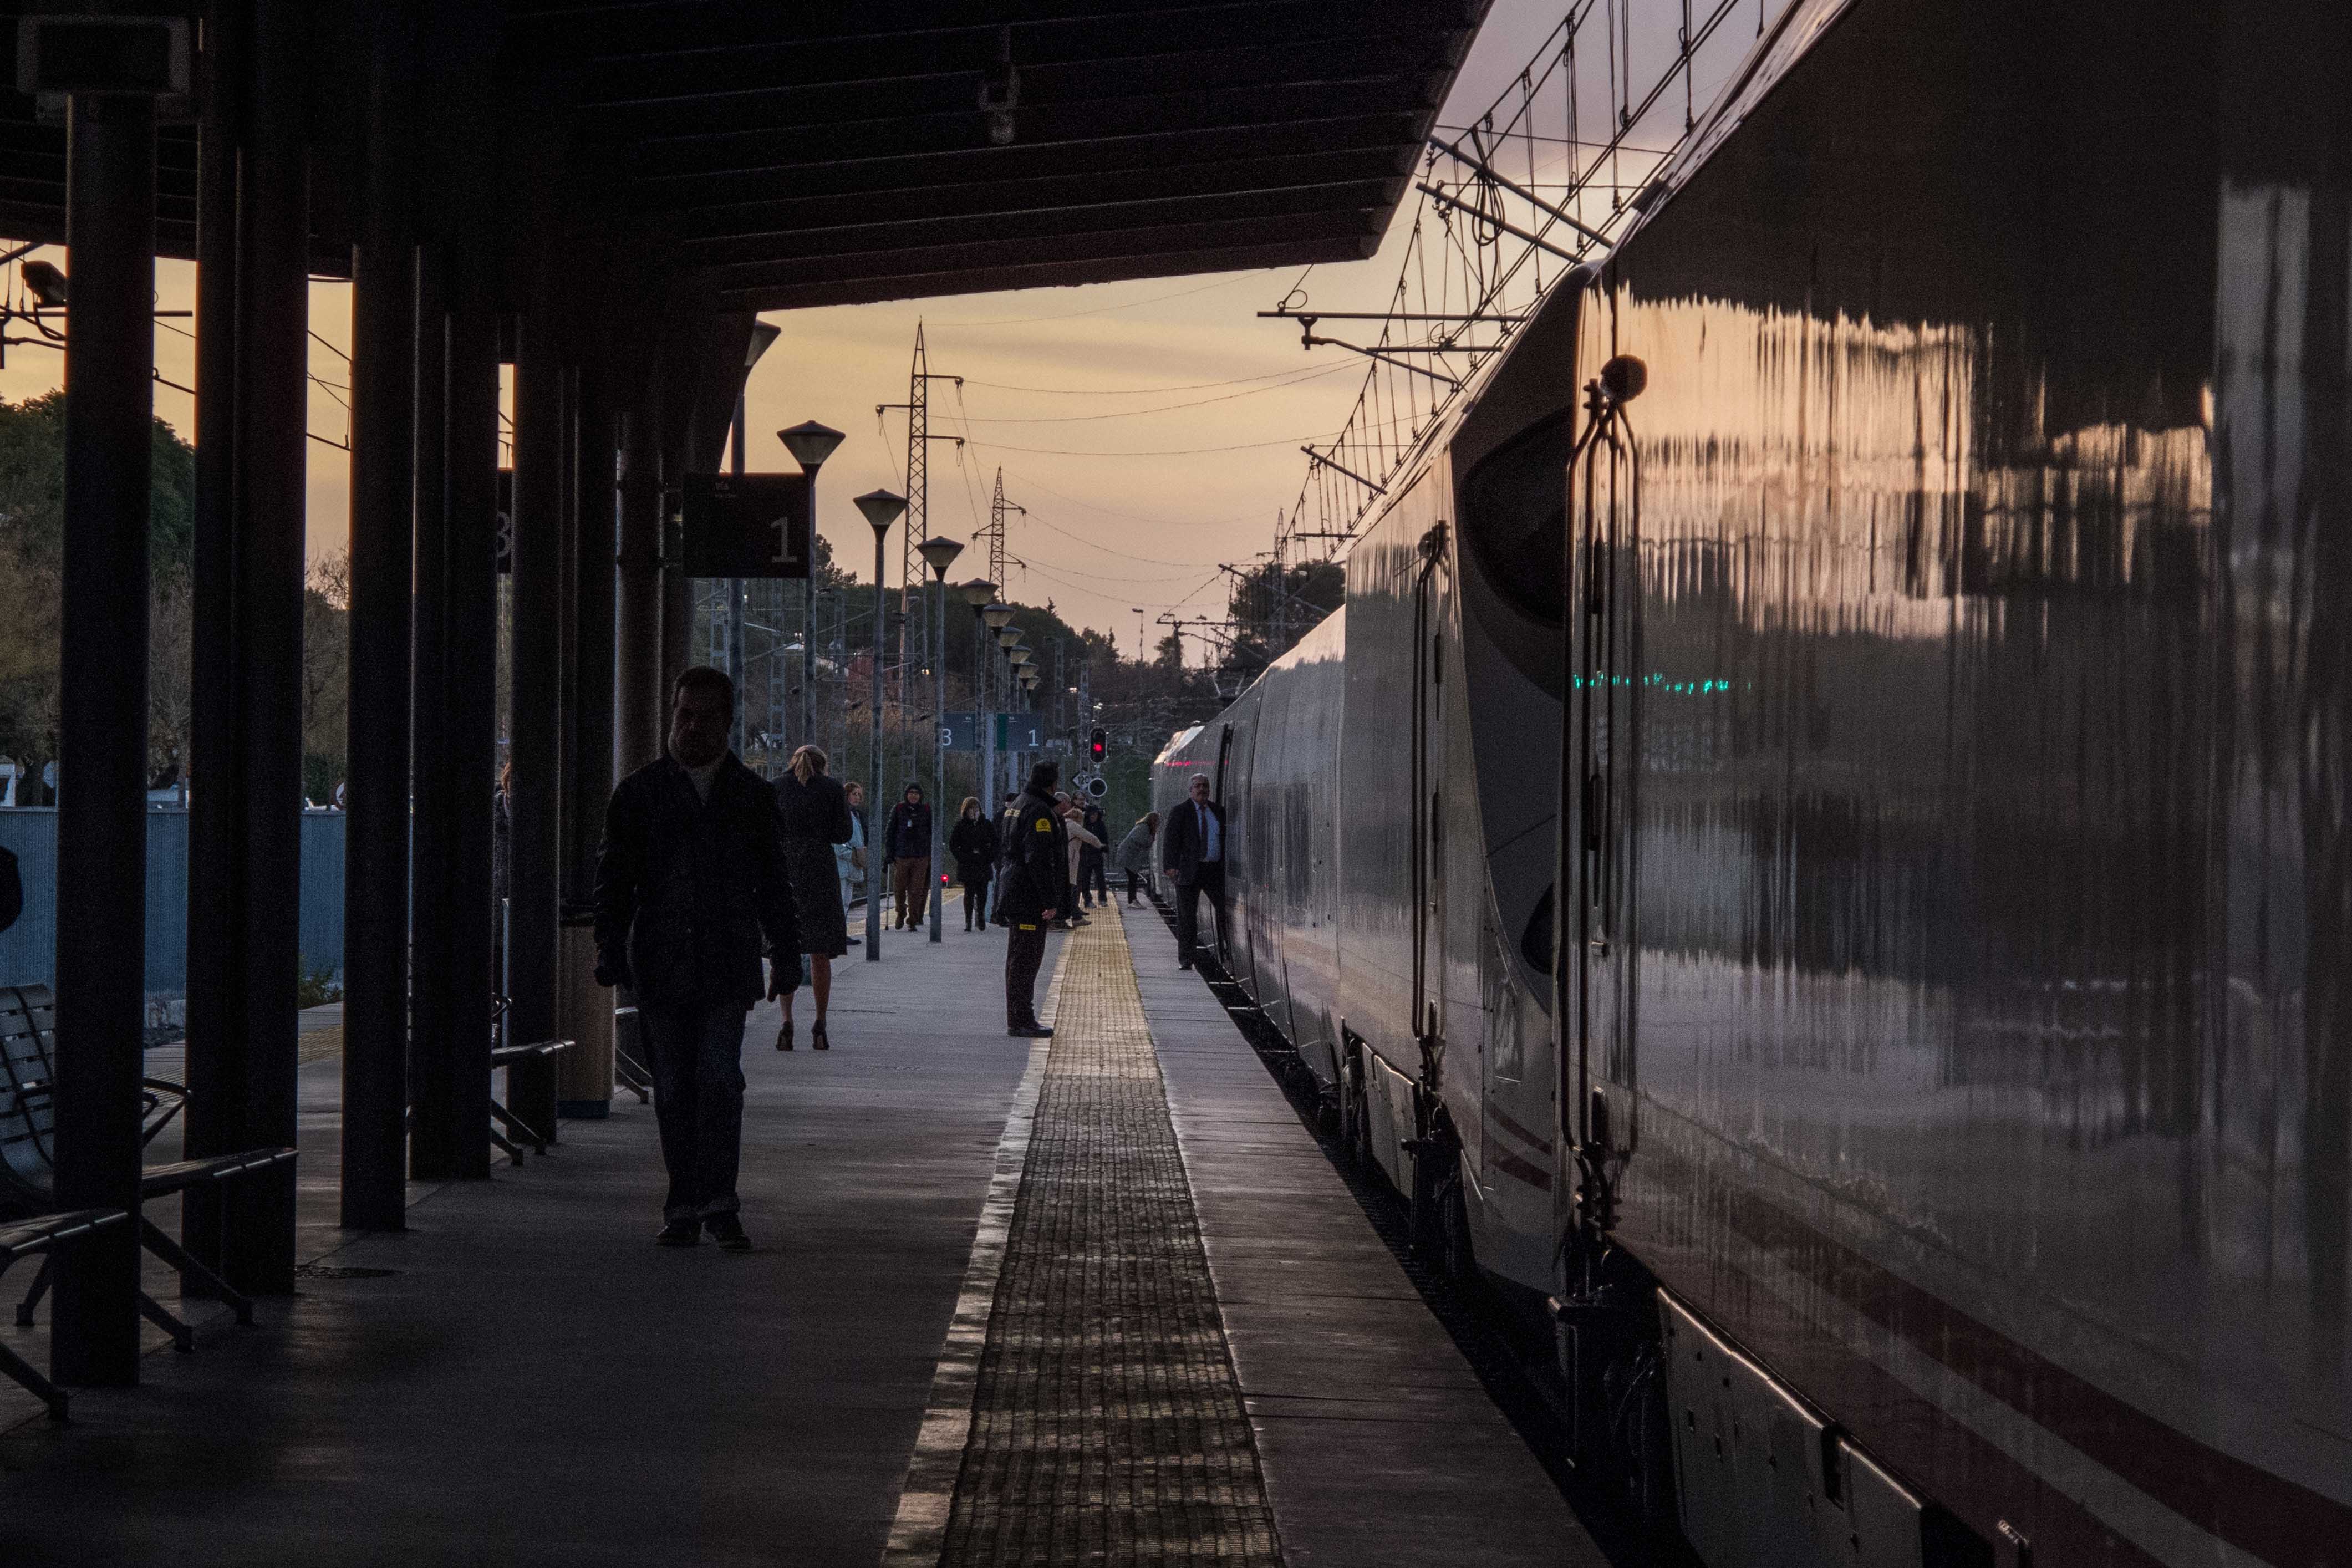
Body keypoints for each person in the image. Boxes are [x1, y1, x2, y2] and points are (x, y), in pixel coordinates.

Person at [592, 666, 798, 1251]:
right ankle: (685, 1201)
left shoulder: (753, 797)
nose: (691, 726)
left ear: (728, 723)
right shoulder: (639, 794)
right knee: (675, 1087)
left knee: (719, 1079)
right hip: (661, 963)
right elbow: (614, 879)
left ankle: (719, 1201)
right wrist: (609, 946)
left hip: (726, 963)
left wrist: (786, 954)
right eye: (684, 714)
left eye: (705, 717)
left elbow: (773, 884)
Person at [772, 745, 853, 1050]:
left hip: (786, 870)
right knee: (821, 953)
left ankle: (786, 1022)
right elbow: (843, 833)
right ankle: (820, 1023)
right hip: (820, 871)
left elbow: (766, 829)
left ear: (792, 762)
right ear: (823, 765)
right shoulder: (832, 789)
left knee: (786, 948)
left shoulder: (777, 787)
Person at [995, 761, 1064, 1038]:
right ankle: (1022, 1019)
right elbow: (1038, 858)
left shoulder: (1018, 803)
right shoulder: (1038, 811)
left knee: (1018, 958)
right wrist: (1050, 900)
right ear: (1053, 784)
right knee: (1026, 960)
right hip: (1028, 895)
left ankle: (1019, 1017)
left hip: (1014, 887)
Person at [1160, 772, 1227, 970]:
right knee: (1187, 917)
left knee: (1224, 908)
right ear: (1190, 790)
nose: (1202, 789)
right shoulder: (1180, 811)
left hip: (1212, 870)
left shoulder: (1218, 811)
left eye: (1205, 785)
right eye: (1198, 786)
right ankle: (1186, 959)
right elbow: (1170, 840)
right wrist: (1170, 867)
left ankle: (1226, 949)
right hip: (1188, 871)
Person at [885, 783, 933, 930]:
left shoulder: (926, 810)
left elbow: (933, 831)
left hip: (921, 856)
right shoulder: (899, 809)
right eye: (911, 793)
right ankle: (901, 911)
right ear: (906, 795)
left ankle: (913, 919)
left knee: (916, 890)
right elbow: (890, 832)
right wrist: (889, 854)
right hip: (902, 855)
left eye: (917, 793)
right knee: (899, 888)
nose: (914, 796)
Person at [948, 796, 999, 933]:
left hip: (983, 862)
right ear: (966, 811)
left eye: (976, 808)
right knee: (969, 893)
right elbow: (953, 844)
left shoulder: (987, 824)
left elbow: (996, 842)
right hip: (967, 864)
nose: (974, 811)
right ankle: (968, 920)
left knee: (983, 893)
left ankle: (980, 914)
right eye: (971, 809)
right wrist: (962, 857)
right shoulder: (961, 826)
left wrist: (990, 857)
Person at [1058, 799, 1102, 929]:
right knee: (1071, 888)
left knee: (1068, 888)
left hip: (1064, 859)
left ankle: (1073, 916)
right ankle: (1074, 917)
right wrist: (1100, 845)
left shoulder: (1063, 823)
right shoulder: (1073, 825)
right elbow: (1090, 837)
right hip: (1070, 860)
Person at [837, 780, 868, 944]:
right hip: (842, 865)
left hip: (850, 866)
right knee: (841, 901)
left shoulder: (855, 815)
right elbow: (838, 844)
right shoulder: (842, 815)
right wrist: (853, 855)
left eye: (859, 795)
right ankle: (838, 934)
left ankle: (841, 933)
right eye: (854, 794)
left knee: (846, 901)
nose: (857, 798)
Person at [1114, 812, 1159, 904]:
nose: (1158, 824)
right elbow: (1140, 842)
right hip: (1130, 857)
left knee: (1133, 878)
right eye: (1157, 822)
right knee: (1133, 878)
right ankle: (1132, 901)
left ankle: (1132, 900)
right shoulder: (1144, 828)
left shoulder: (1142, 827)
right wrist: (1149, 841)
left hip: (1130, 857)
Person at [1080, 800, 1111, 907]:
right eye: (1092, 814)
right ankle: (1088, 900)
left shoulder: (1100, 825)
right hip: (1086, 855)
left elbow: (1105, 838)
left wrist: (1104, 847)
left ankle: (1103, 899)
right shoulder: (1084, 824)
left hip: (1097, 854)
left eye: (1096, 814)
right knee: (1086, 879)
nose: (1093, 816)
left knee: (1100, 878)